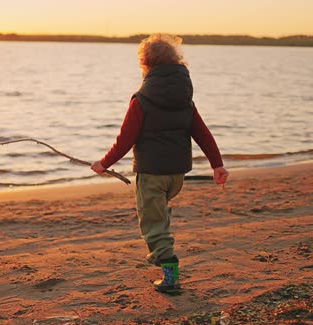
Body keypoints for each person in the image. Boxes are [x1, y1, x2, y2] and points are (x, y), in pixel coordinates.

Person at [91, 33, 229, 293]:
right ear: (177, 62)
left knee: (153, 225)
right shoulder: (185, 99)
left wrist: (103, 163)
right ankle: (163, 248)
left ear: (146, 64)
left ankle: (170, 275)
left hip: (151, 173)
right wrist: (217, 165)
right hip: (176, 175)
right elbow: (202, 133)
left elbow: (125, 140)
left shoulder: (142, 99)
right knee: (159, 216)